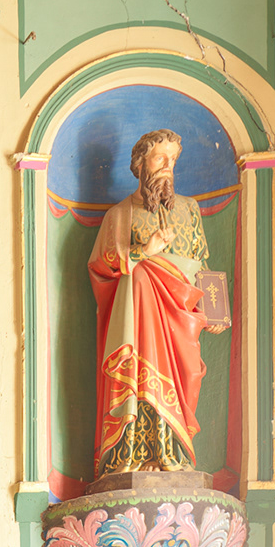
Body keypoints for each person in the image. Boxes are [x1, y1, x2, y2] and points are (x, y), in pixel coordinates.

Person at [87, 129, 212, 480]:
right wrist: (144, 252)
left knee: (184, 377)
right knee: (138, 381)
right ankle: (132, 456)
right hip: (137, 324)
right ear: (140, 164)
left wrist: (216, 311)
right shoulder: (120, 214)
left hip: (180, 319)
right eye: (160, 158)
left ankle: (173, 453)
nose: (167, 166)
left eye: (173, 159)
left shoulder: (190, 209)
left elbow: (202, 264)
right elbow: (101, 264)